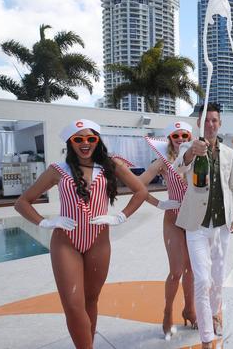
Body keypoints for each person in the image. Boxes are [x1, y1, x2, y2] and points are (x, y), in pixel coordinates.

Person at [15, 119, 147, 349]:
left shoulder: (111, 166)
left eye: (91, 138)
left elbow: (141, 191)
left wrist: (120, 216)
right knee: (74, 305)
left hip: (99, 241)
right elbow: (22, 202)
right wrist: (45, 222)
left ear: (97, 141)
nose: (85, 143)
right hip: (66, 242)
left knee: (90, 300)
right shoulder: (57, 170)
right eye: (79, 139)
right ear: (70, 143)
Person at [174, 103, 233, 349]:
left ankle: (215, 313)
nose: (210, 124)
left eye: (214, 120)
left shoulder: (229, 153)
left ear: (220, 123)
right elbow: (177, 169)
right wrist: (191, 153)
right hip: (196, 226)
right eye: (206, 121)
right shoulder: (188, 148)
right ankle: (206, 338)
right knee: (202, 281)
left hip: (222, 225)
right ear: (199, 124)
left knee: (218, 278)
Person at [139, 121, 197, 339]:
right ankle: (167, 312)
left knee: (193, 268)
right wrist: (159, 203)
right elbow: (137, 185)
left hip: (195, 219)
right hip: (173, 219)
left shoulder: (199, 157)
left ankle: (189, 309)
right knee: (176, 271)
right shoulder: (162, 161)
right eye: (176, 135)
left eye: (185, 135)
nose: (181, 138)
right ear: (170, 138)